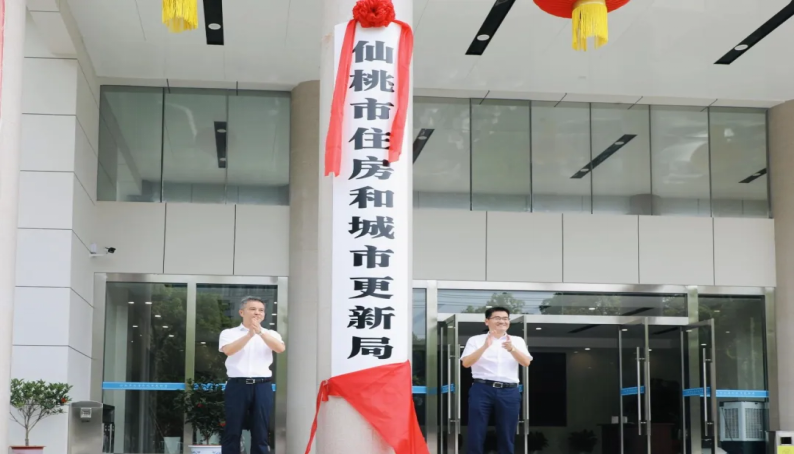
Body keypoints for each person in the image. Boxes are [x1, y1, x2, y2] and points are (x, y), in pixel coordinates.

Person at [218, 296, 286, 454]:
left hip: (262, 385)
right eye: (252, 309)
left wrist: (260, 332)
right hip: (237, 385)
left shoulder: (271, 334)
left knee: (261, 430)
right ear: (242, 312)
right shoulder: (229, 333)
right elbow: (229, 350)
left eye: (261, 310)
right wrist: (249, 334)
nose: (257, 313)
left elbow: (280, 348)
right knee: (232, 429)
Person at [461, 306, 532, 454]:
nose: (502, 321)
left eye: (505, 318)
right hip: (482, 389)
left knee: (507, 431)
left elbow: (526, 362)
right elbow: (466, 363)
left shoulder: (517, 341)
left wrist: (512, 349)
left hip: (509, 390)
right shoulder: (475, 340)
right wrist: (485, 347)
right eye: (497, 318)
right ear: (487, 321)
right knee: (476, 429)